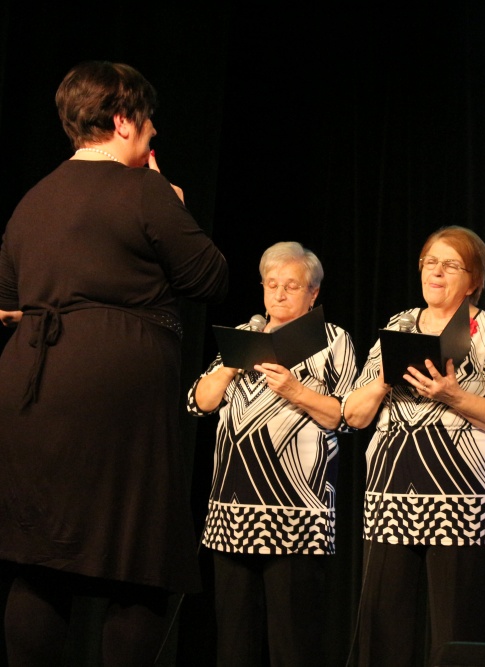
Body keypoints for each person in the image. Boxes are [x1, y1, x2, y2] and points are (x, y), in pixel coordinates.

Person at [0, 61, 229, 665]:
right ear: (124, 121)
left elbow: (8, 306)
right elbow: (210, 279)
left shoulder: (32, 200)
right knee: (139, 560)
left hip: (31, 388)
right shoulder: (146, 190)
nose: (153, 133)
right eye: (148, 121)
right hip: (116, 391)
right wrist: (174, 204)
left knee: (40, 562)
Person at [342, 226, 485, 667]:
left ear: (474, 280)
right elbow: (354, 415)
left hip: (463, 502)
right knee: (383, 634)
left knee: (455, 636)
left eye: (451, 265)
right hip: (391, 498)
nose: (436, 272)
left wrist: (453, 396)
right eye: (430, 262)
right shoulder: (398, 326)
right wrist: (384, 380)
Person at [187, 241, 357, 667]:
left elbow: (346, 416)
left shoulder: (332, 340)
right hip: (233, 513)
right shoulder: (242, 335)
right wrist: (231, 363)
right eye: (271, 284)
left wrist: (296, 391)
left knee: (292, 644)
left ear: (313, 293)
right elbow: (200, 402)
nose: (279, 294)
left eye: (291, 286)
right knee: (234, 644)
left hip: (296, 513)